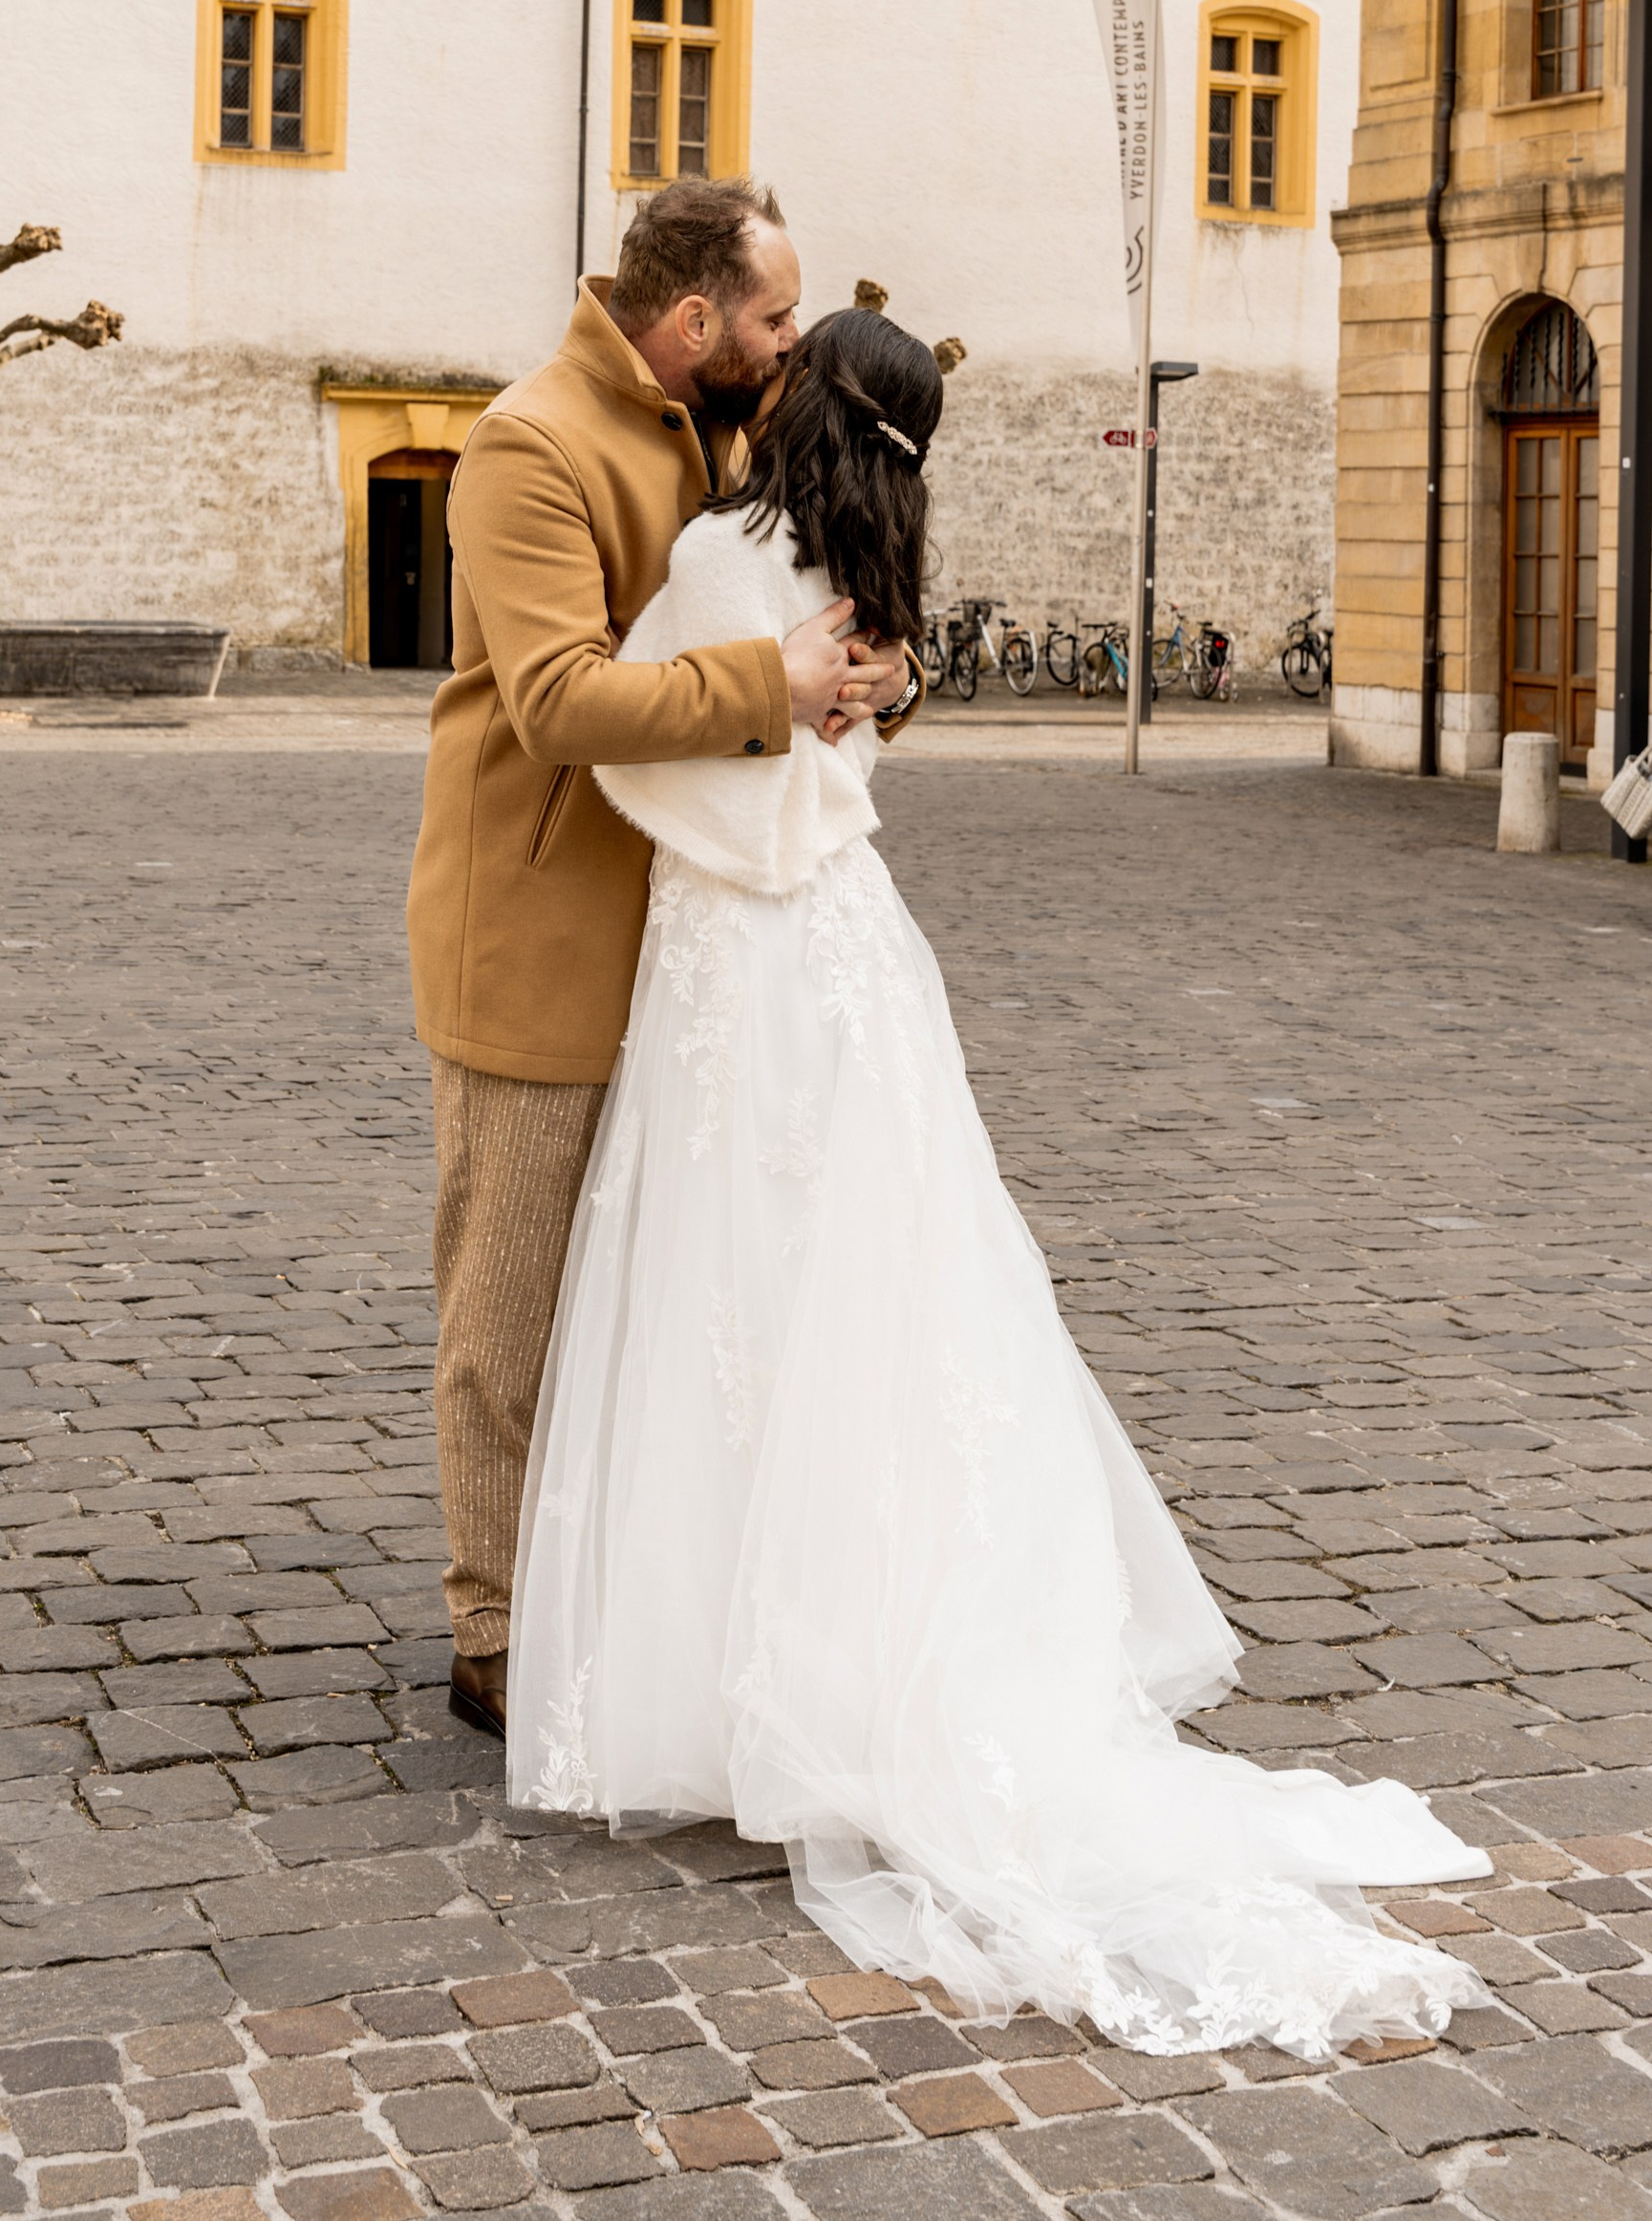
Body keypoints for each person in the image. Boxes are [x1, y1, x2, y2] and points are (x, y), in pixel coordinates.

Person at [507, 305, 1496, 2060]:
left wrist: (764, 749)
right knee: (888, 1289)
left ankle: (740, 1673)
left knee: (735, 1280)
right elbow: (830, 762)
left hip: (744, 959)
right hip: (855, 955)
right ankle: (874, 1629)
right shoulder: (867, 562)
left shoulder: (735, 550)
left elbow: (643, 747)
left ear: (797, 401)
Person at [407, 180, 917, 1742]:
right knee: (513, 1300)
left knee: (669, 1292)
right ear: (693, 320)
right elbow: (559, 699)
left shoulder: (729, 429)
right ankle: (495, 1628)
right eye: (772, 316)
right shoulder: (529, 445)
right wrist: (779, 678)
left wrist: (869, 680)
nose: (789, 342)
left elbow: (795, 592)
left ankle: (632, 1594)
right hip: (549, 925)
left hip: (703, 932)